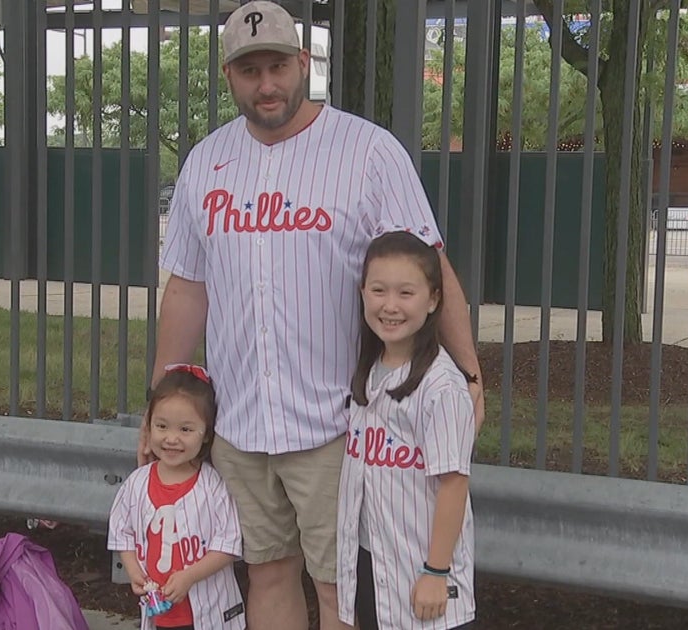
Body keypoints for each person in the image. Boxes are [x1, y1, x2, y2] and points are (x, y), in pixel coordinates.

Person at [146, 2, 484, 629]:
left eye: (278, 66)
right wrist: (163, 404)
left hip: (337, 425)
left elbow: (432, 267)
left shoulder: (367, 151)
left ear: (304, 63)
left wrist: (469, 373)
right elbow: (188, 289)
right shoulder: (206, 162)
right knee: (266, 573)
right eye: (250, 72)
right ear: (229, 77)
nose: (266, 84)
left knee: (338, 589)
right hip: (239, 425)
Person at [336, 231, 476, 630]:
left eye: (406, 293)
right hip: (372, 561)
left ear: (433, 299)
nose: (390, 305)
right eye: (378, 290)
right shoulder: (367, 371)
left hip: (424, 572)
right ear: (363, 292)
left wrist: (436, 571)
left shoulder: (442, 387)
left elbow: (453, 484)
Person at [108, 365, 247, 630]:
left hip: (208, 613)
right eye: (162, 426)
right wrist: (133, 570)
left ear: (206, 434)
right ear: (148, 428)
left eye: (185, 430)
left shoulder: (213, 486)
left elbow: (228, 544)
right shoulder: (137, 483)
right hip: (160, 611)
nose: (171, 439)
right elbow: (121, 532)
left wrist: (189, 577)